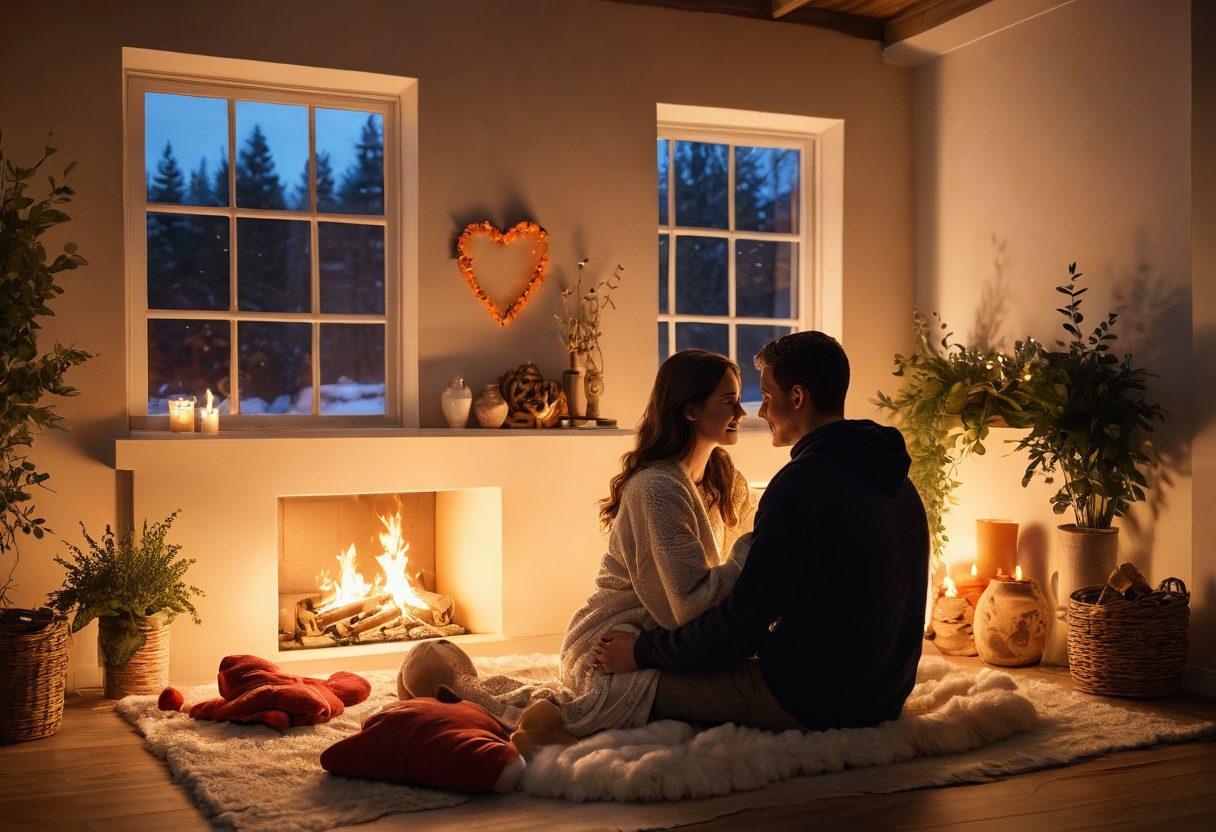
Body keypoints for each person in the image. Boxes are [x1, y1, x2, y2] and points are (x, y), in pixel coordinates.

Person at [396, 349, 756, 752]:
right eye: (729, 401)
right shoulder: (656, 489)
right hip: (613, 639)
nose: (741, 411)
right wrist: (754, 547)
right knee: (580, 711)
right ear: (690, 410)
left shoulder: (728, 481)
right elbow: (690, 604)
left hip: (666, 636)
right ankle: (448, 681)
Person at [595, 331, 930, 733]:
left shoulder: (804, 484)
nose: (759, 411)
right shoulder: (892, 475)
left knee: (618, 690)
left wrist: (645, 651)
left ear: (798, 397)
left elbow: (739, 627)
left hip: (813, 699)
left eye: (766, 396)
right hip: (885, 694)